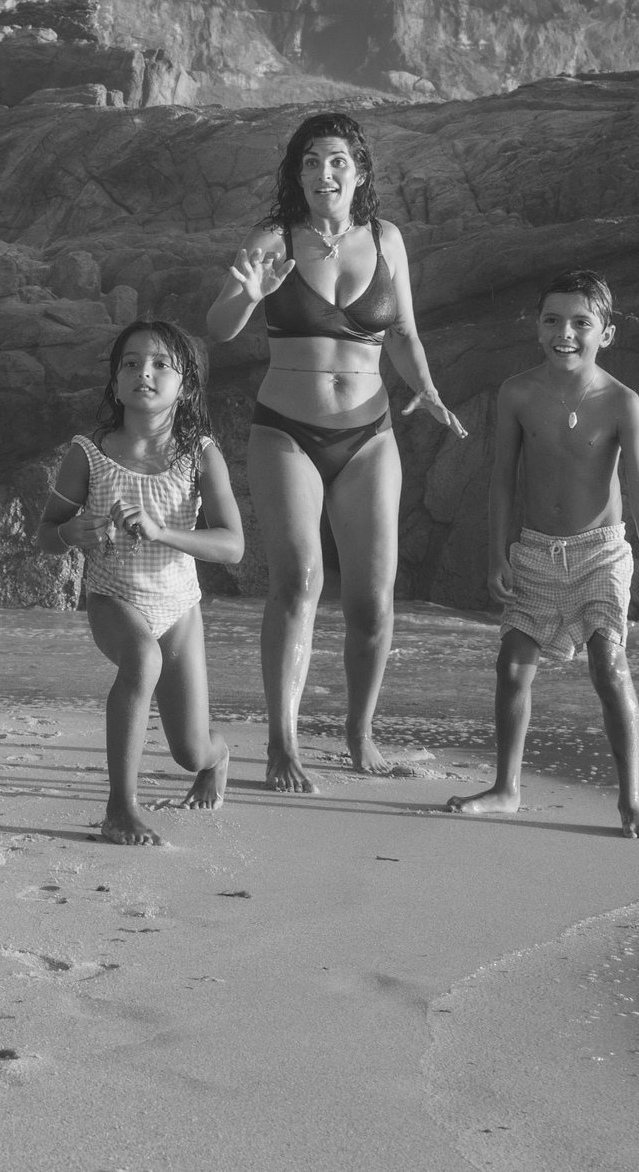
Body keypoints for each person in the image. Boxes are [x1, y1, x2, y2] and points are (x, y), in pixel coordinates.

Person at [206, 111, 468, 793]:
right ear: (297, 173)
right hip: (286, 430)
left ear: (359, 172)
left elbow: (404, 332)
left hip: (370, 434)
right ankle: (282, 743)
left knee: (373, 603)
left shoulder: (386, 239)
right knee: (298, 581)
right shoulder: (273, 238)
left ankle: (360, 735)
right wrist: (249, 295)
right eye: (312, 162)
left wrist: (430, 390)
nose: (325, 173)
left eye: (338, 161)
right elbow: (217, 325)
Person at [447, 269, 639, 839]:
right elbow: (501, 479)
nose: (564, 333)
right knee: (512, 664)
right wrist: (498, 552)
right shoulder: (518, 392)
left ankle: (632, 799)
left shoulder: (622, 402)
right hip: (537, 551)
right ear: (537, 328)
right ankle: (506, 789)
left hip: (600, 553)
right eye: (552, 320)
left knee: (608, 664)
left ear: (606, 334)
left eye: (580, 323)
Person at [38, 320, 243, 846]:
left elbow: (233, 545)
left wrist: (162, 531)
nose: (142, 373)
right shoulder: (88, 453)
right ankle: (119, 809)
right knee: (142, 659)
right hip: (113, 596)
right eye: (129, 363)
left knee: (190, 750)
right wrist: (70, 531)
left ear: (186, 385)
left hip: (180, 607)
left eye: (158, 365)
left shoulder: (200, 455)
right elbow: (46, 537)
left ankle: (217, 759)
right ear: (114, 381)